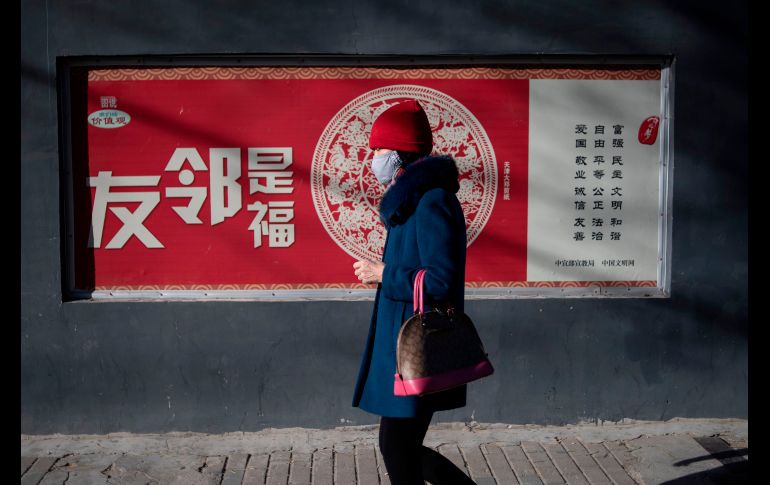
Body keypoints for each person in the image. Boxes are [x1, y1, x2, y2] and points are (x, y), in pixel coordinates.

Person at [352, 99, 476, 485]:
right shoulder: (414, 199)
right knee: (400, 446)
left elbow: (441, 279)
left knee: (397, 446)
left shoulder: (431, 200)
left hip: (417, 347)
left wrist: (383, 272)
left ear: (401, 154)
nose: (375, 158)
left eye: (381, 150)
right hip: (403, 345)